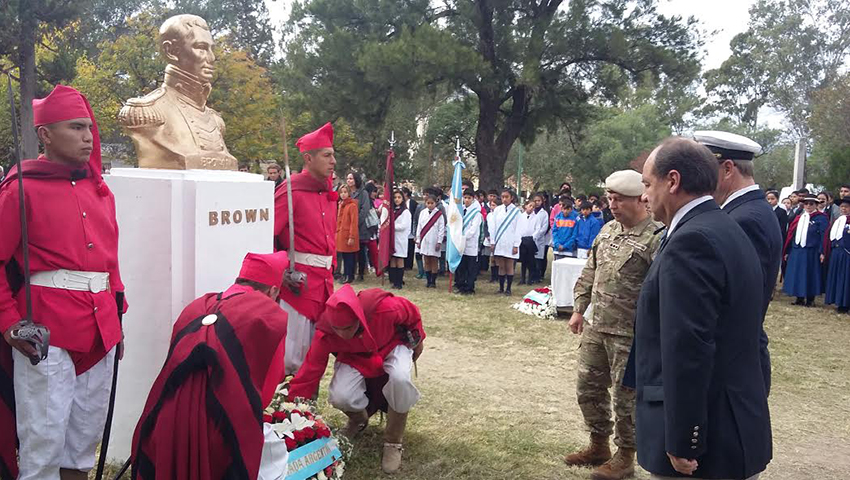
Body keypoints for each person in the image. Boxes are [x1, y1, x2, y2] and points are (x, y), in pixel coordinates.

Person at [0, 85, 127, 480]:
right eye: (75, 128)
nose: (88, 137)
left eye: (89, 127)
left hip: (100, 330)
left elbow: (111, 264)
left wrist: (118, 321)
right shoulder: (20, 188)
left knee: (83, 443)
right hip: (46, 331)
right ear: (45, 134)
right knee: (44, 440)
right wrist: (9, 324)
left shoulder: (100, 191)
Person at [634, 137, 771, 480]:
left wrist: (684, 438)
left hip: (706, 443)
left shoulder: (693, 241)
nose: (644, 196)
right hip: (732, 422)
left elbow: (689, 347)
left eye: (648, 184)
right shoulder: (725, 226)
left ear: (673, 181)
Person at [131, 252, 291, 480]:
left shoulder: (197, 306)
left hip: (165, 427)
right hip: (221, 430)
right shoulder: (266, 315)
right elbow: (262, 394)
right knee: (275, 459)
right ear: (274, 291)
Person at [565, 170, 661, 480]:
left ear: (639, 199)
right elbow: (589, 271)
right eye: (609, 198)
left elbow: (661, 288)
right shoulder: (607, 230)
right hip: (597, 327)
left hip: (630, 334)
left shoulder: (657, 236)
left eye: (618, 199)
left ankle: (625, 456)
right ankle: (598, 444)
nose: (612, 204)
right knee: (588, 389)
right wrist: (579, 309)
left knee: (625, 398)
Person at [287, 285, 425, 474]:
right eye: (338, 329)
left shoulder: (386, 308)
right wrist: (292, 410)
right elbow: (311, 371)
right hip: (356, 357)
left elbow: (412, 314)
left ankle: (393, 441)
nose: (343, 334)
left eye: (348, 328)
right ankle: (358, 420)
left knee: (400, 378)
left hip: (392, 345)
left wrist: (418, 341)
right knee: (340, 396)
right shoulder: (326, 331)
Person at [697, 130, 781, 396]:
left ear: (728, 168)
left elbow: (739, 301)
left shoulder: (744, 219)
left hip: (733, 364)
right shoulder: (746, 211)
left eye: (705, 170)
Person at [273, 122, 337, 375]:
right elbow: (268, 235)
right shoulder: (290, 191)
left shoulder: (327, 193)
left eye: (333, 155)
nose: (333, 161)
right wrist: (279, 275)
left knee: (315, 355)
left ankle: (304, 410)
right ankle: (283, 411)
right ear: (308, 158)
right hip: (297, 285)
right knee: (291, 357)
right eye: (327, 155)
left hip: (324, 284)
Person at [783, 195, 829, 306]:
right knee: (798, 273)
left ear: (816, 205)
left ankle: (810, 299)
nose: (808, 206)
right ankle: (799, 297)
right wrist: (788, 250)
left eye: (811, 204)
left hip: (811, 250)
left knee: (810, 274)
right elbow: (791, 234)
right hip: (797, 249)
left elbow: (824, 236)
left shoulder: (821, 218)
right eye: (806, 203)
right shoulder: (799, 217)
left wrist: (822, 251)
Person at [488, 188, 522, 295]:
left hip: (511, 241)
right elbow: (493, 227)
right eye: (502, 197)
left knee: (509, 265)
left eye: (507, 197)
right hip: (500, 241)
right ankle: (501, 288)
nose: (504, 199)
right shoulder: (497, 210)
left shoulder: (516, 212)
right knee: (501, 265)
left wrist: (516, 244)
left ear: (511, 198)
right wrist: (493, 241)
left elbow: (519, 229)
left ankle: (509, 289)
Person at [825, 198, 850, 313]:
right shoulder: (837, 220)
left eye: (846, 207)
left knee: (845, 278)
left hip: (846, 254)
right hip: (836, 252)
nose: (843, 209)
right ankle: (838, 301)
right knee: (837, 277)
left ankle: (846, 303)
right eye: (842, 207)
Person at [456, 189, 483, 294]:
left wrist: (462, 237)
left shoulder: (476, 213)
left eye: (469, 198)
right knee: (461, 266)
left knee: (470, 267)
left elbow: (473, 229)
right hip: (460, 243)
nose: (466, 200)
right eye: (465, 198)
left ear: (473, 199)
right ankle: (461, 286)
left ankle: (469, 287)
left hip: (470, 243)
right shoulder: (460, 210)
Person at [383, 189, 411, 289]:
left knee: (399, 259)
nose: (397, 199)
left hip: (400, 238)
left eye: (399, 197)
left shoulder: (405, 212)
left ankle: (399, 282)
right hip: (392, 239)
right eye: (395, 197)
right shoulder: (391, 210)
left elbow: (404, 226)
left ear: (403, 199)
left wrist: (391, 226)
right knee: (393, 259)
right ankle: (393, 281)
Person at [347, 172, 373, 281]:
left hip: (360, 227)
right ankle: (350, 272)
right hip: (347, 227)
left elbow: (365, 209)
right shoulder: (346, 193)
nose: (349, 181)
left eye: (351, 178)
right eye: (347, 178)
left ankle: (361, 273)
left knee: (361, 251)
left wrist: (355, 222)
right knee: (350, 252)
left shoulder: (363, 193)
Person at [416, 193, 445, 288]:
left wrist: (439, 241)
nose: (430, 205)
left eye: (432, 203)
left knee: (434, 260)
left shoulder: (439, 214)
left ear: (435, 203)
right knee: (426, 260)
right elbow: (419, 227)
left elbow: (441, 228)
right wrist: (418, 240)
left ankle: (433, 281)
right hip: (424, 238)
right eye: (428, 203)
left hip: (434, 239)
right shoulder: (422, 213)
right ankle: (428, 280)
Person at [336, 185, 359, 284]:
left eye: (345, 192)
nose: (343, 194)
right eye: (341, 192)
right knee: (344, 256)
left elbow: (354, 222)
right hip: (341, 234)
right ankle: (345, 274)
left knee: (349, 257)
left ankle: (349, 276)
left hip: (348, 235)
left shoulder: (352, 205)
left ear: (349, 193)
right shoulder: (341, 204)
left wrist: (352, 236)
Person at [516, 199, 540, 285]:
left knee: (531, 260)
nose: (531, 208)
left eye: (533, 207)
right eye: (530, 206)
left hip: (531, 240)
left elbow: (538, 229)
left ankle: (530, 279)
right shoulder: (520, 216)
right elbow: (518, 228)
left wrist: (533, 237)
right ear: (526, 206)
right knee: (523, 260)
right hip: (522, 240)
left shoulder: (536, 217)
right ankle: (522, 278)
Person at [402, 187, 418, 271]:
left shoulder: (413, 203)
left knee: (410, 247)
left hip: (411, 228)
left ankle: (409, 264)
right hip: (402, 229)